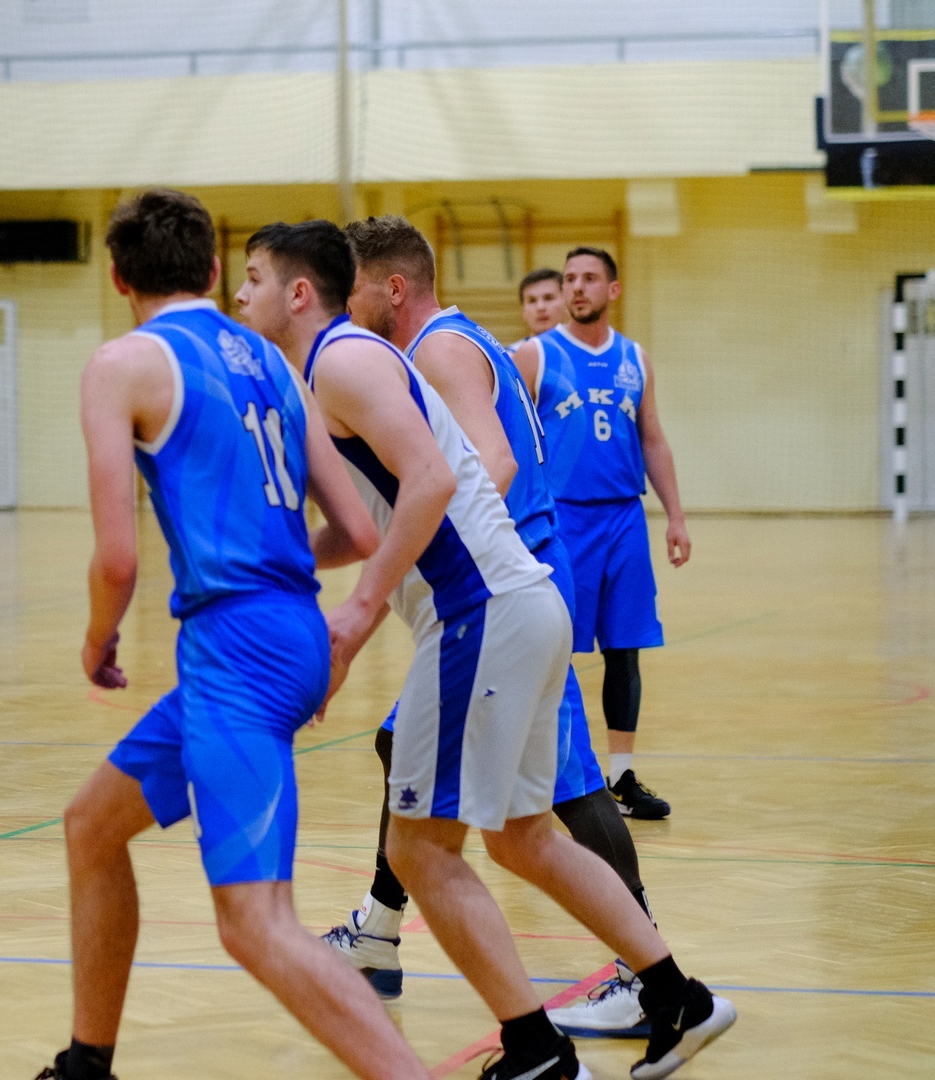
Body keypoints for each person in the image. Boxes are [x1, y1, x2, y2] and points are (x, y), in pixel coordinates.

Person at [237, 217, 733, 1080]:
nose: (240, 295)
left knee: (420, 850)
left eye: (251, 277)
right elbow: (365, 524)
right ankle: (675, 997)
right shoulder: (351, 364)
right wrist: (279, 562)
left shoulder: (344, 360)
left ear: (299, 292)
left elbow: (436, 480)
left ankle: (536, 1052)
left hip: (482, 609)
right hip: (518, 601)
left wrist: (357, 616)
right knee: (522, 838)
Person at [37, 189, 428, 1080]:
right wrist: (273, 568)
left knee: (256, 923)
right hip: (290, 632)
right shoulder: (274, 364)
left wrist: (97, 639)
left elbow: (117, 560)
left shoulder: (122, 364)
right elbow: (359, 532)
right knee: (92, 826)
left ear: (117, 278)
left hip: (238, 651)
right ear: (213, 270)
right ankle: (87, 1061)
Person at [513, 248, 690, 820]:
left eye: (589, 279)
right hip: (561, 521)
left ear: (613, 289)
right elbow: (504, 434)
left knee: (625, 648)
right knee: (551, 648)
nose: (576, 288)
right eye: (569, 279)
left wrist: (676, 516)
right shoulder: (535, 354)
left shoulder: (635, 358)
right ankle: (544, 774)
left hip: (624, 519)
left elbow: (653, 438)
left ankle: (621, 777)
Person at [517, 267, 566, 344]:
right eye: (532, 301)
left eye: (548, 298)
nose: (540, 307)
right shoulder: (511, 352)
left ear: (566, 303)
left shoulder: (584, 348)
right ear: (523, 310)